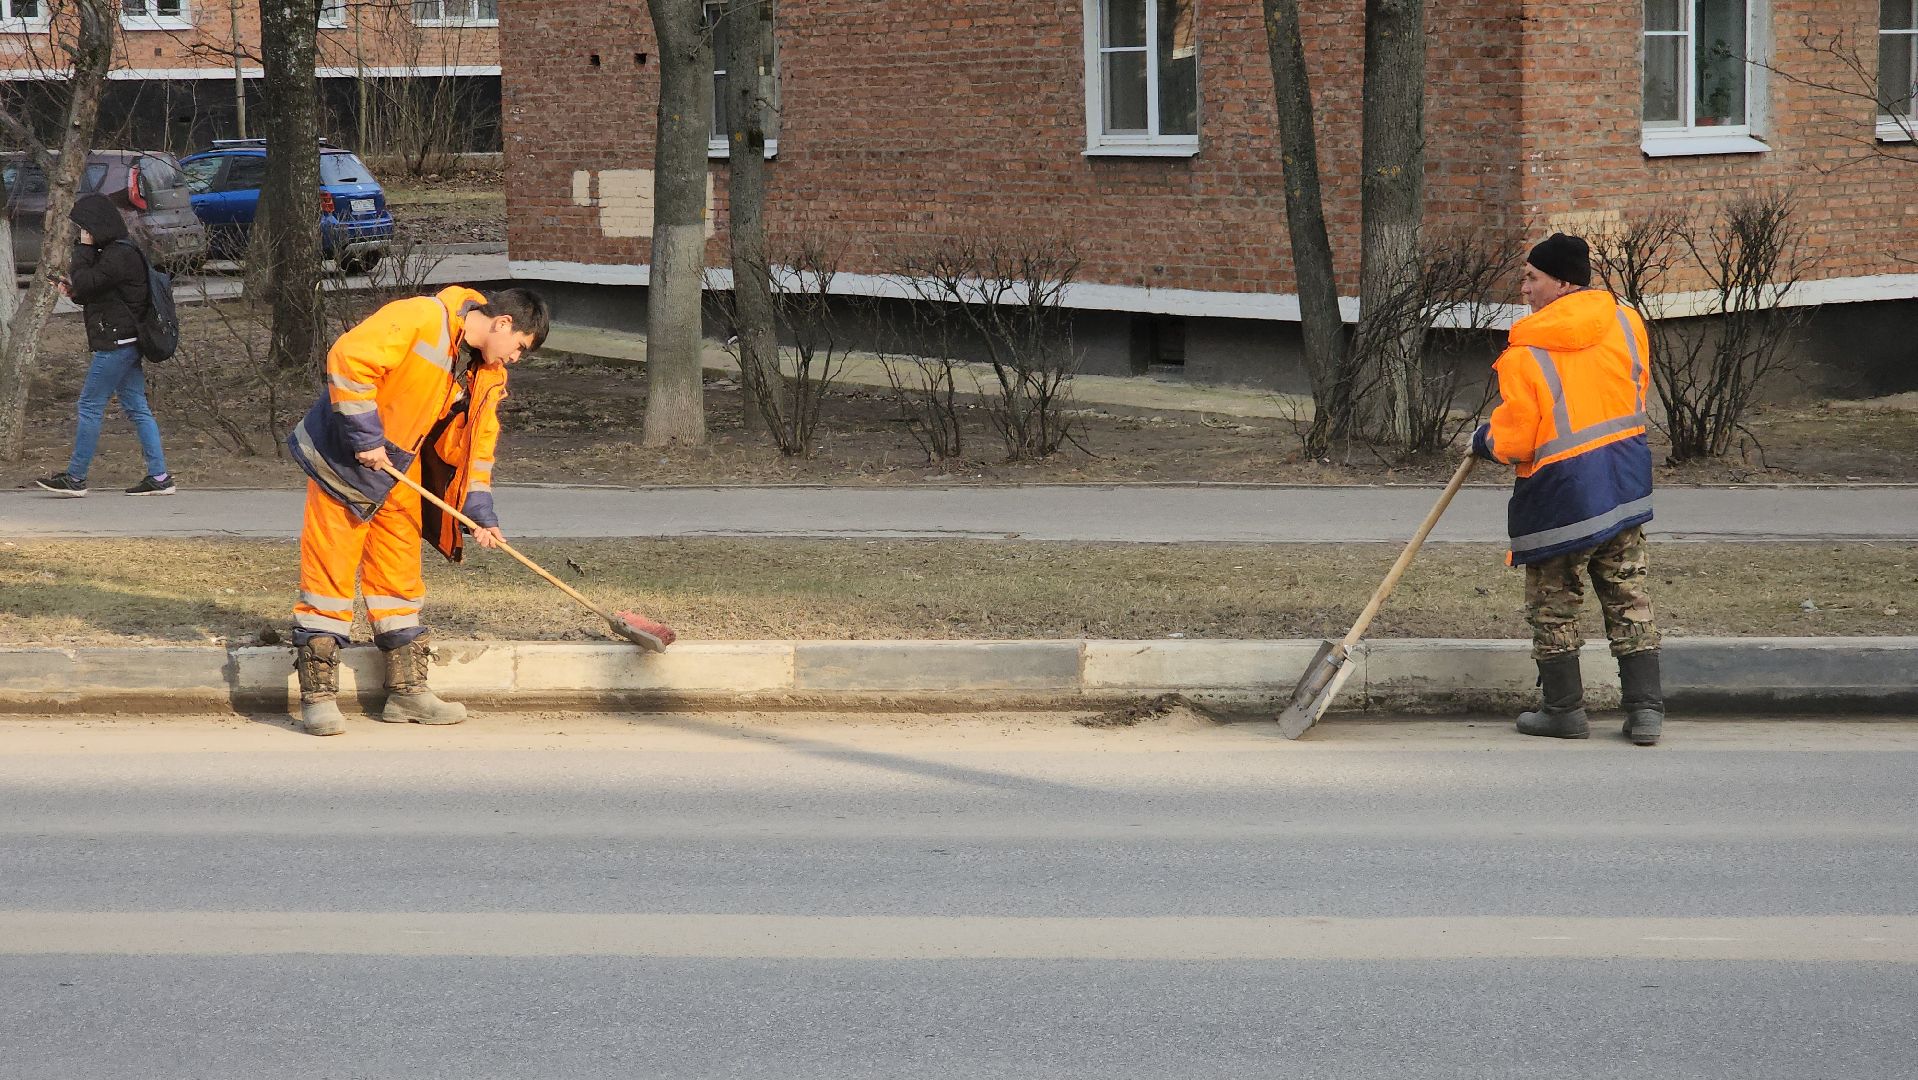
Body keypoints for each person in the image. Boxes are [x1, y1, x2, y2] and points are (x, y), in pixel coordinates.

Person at [287, 285, 548, 737]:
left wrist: (480, 510)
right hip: (343, 463)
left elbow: (477, 447)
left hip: (398, 472)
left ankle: (406, 692)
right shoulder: (422, 318)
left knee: (399, 584)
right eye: (520, 347)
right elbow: (349, 359)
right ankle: (319, 698)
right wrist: (365, 438)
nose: (516, 358)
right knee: (328, 581)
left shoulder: (486, 375)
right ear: (503, 323)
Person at [1472, 233, 1665, 746]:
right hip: (1623, 481)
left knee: (1554, 604)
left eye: (1531, 277)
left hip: (1561, 494)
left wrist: (1485, 438)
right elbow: (1632, 390)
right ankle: (1646, 713)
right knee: (1628, 594)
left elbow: (1516, 440)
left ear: (1560, 282)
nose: (1524, 288)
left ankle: (1563, 711)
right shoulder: (1627, 323)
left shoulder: (1526, 352)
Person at [34, 194, 173, 498]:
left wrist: (83, 251)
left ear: (97, 226)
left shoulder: (118, 255)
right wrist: (73, 290)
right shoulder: (116, 253)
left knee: (89, 405)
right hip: (124, 339)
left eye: (85, 229)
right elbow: (93, 289)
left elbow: (88, 281)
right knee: (137, 406)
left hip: (117, 342)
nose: (83, 234)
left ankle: (76, 477)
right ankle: (160, 476)